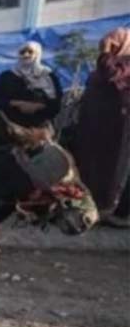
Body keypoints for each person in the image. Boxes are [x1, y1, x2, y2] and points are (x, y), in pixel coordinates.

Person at [69, 27, 130, 227]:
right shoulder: (103, 69)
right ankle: (90, 205)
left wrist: (105, 54)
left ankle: (108, 209)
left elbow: (111, 74)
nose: (107, 47)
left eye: (112, 43)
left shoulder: (124, 66)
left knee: (110, 170)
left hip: (117, 130)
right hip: (93, 128)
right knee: (88, 166)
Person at [0, 41, 62, 160]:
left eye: (30, 52)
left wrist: (38, 107)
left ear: (38, 54)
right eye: (22, 52)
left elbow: (57, 104)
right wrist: (15, 103)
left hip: (38, 135)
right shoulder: (6, 77)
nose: (26, 55)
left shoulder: (48, 77)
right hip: (8, 133)